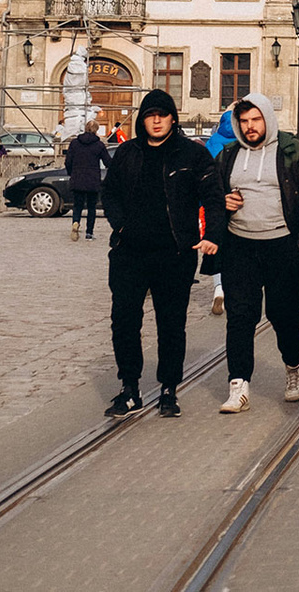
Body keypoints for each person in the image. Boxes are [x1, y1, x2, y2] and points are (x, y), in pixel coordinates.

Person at [101, 90, 224, 419]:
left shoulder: (192, 155)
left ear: (173, 118)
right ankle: (130, 387)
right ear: (142, 120)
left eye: (162, 114)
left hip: (175, 253)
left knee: (172, 324)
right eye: (150, 115)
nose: (156, 120)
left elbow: (212, 195)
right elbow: (109, 193)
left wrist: (212, 234)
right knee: (124, 321)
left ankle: (169, 388)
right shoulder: (127, 153)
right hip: (130, 253)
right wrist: (121, 226)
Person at [214, 94, 299, 413]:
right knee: (240, 316)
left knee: (282, 315)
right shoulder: (228, 154)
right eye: (243, 121)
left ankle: (294, 365)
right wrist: (223, 203)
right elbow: (212, 195)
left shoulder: (291, 150)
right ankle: (238, 384)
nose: (249, 126)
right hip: (239, 246)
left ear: (267, 119)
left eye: (255, 120)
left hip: (282, 246)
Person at [204, 109, 239, 315]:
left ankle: (218, 288)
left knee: (216, 244)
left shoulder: (213, 141)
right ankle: (233, 286)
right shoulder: (241, 142)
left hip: (215, 200)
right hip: (237, 200)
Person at [64, 120, 110, 241]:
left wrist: (71, 173)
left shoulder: (74, 143)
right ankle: (89, 233)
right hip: (92, 179)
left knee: (77, 206)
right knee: (91, 207)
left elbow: (68, 161)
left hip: (77, 178)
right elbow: (107, 162)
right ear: (96, 129)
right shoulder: (99, 145)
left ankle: (75, 222)